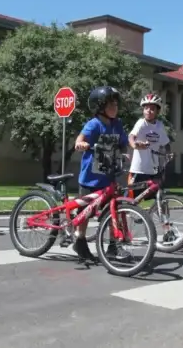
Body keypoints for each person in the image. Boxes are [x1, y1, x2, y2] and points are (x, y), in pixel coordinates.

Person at [73, 85, 143, 262]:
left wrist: (124, 151)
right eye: (111, 104)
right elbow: (80, 140)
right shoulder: (94, 124)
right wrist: (81, 144)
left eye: (116, 105)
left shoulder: (117, 124)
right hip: (90, 178)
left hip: (109, 175)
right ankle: (79, 240)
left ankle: (113, 245)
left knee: (115, 211)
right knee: (85, 213)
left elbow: (122, 143)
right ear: (100, 106)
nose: (115, 108)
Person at [127, 93, 172, 199]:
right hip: (139, 169)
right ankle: (128, 214)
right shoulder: (141, 123)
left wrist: (169, 154)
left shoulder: (159, 126)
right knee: (132, 199)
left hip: (153, 170)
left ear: (157, 111)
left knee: (159, 196)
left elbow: (166, 143)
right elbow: (131, 136)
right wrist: (135, 145)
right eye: (146, 108)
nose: (148, 111)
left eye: (152, 109)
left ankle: (160, 214)